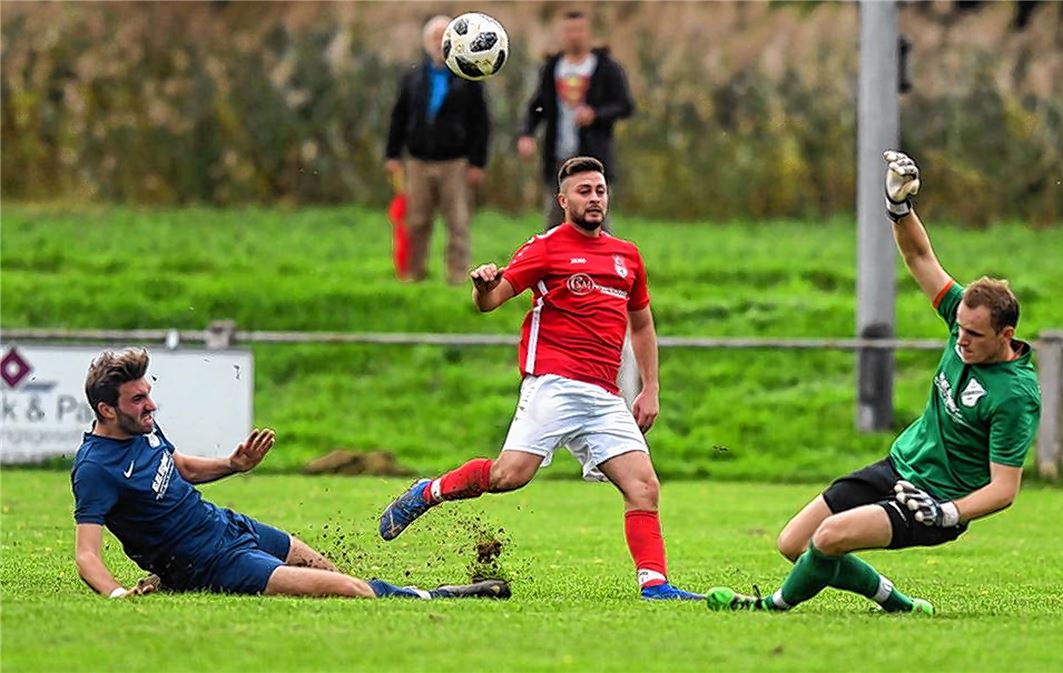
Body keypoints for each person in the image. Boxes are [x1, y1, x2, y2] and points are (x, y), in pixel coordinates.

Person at [707, 150, 1041, 616]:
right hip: (897, 466)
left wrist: (950, 512)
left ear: (1005, 334)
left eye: (974, 334)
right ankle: (900, 605)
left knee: (828, 539)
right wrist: (899, 209)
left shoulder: (1016, 396)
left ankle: (770, 606)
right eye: (958, 328)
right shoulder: (964, 314)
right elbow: (919, 255)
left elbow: (1005, 489)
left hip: (935, 500)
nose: (960, 339)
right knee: (794, 543)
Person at [380, 157, 701, 601]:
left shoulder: (627, 255)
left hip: (605, 396)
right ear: (563, 199)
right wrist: (482, 283)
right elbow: (490, 302)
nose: (594, 198)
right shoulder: (545, 248)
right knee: (509, 476)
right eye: (584, 191)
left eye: (600, 190)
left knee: (644, 486)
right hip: (553, 384)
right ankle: (428, 492)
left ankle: (656, 585)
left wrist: (650, 387)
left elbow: (642, 325)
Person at [72, 348, 509, 601]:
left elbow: (178, 467)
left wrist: (232, 465)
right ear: (106, 410)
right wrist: (118, 595)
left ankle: (166, 583)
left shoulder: (144, 427)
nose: (150, 406)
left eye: (148, 394)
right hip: (207, 562)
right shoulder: (95, 469)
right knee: (350, 592)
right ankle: (437, 596)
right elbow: (87, 556)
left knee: (326, 568)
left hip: (227, 525)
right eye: (137, 400)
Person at [386, 15, 491, 283]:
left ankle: (457, 276)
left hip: (455, 162)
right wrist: (393, 154)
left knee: (458, 223)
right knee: (417, 221)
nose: (438, 43)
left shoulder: (468, 79)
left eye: (443, 37)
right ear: (426, 43)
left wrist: (477, 162)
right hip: (418, 161)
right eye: (434, 37)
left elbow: (481, 123)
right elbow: (399, 116)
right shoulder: (412, 78)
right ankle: (412, 274)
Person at [517, 10, 635, 230]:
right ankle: (555, 265)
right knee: (554, 221)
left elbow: (625, 105)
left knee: (596, 219)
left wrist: (595, 114)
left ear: (588, 33)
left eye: (579, 30)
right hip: (558, 156)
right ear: (562, 34)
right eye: (569, 31)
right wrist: (526, 134)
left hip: (593, 157)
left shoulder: (605, 68)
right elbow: (537, 107)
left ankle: (601, 264)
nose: (574, 36)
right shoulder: (552, 68)